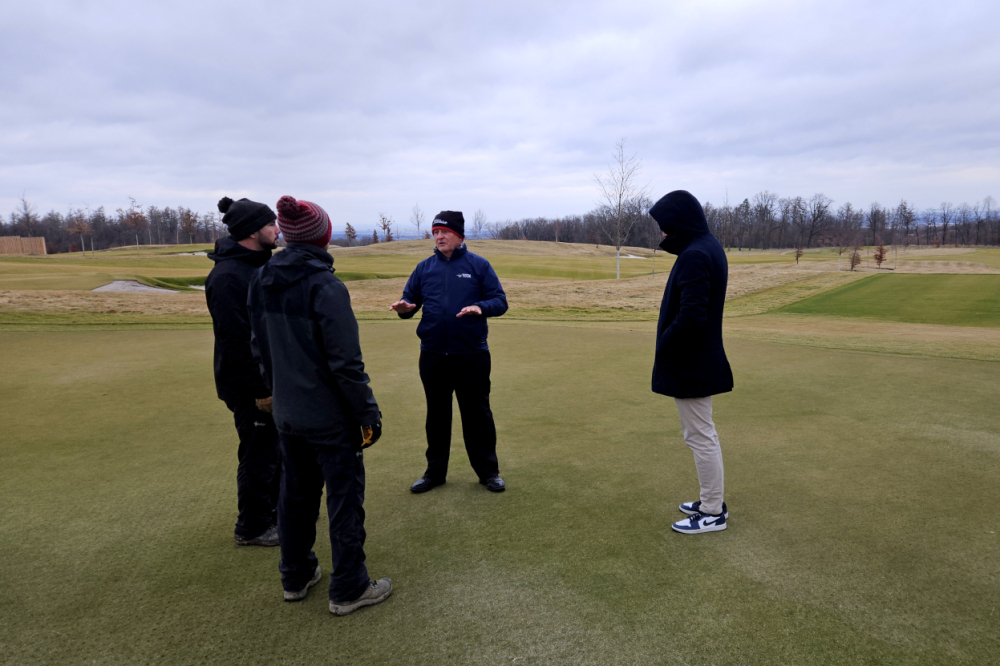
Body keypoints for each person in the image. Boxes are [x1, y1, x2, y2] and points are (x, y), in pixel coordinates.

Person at [248, 195, 391, 616]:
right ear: (323, 235)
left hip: (287, 414)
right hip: (330, 419)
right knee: (344, 499)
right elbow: (346, 364)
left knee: (295, 494)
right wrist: (367, 414)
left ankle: (295, 576)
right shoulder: (326, 286)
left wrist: (280, 395)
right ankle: (349, 586)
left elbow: (259, 348)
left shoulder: (261, 278)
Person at [389, 211, 509, 493]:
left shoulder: (478, 265)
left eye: (444, 232)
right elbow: (410, 301)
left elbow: (500, 301)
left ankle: (488, 472)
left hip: (471, 354)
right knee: (437, 415)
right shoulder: (424, 268)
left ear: (459, 236)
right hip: (432, 355)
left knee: (477, 415)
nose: (439, 237)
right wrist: (405, 309)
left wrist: (482, 307)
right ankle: (434, 473)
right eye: (435, 233)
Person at [650, 190, 734, 535]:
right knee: (701, 434)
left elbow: (691, 317)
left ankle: (713, 511)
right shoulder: (706, 247)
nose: (663, 235)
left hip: (693, 363)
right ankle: (709, 501)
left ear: (680, 222)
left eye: (665, 227)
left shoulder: (696, 254)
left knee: (700, 436)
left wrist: (664, 345)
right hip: (699, 360)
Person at [205, 196, 281, 547]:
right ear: (253, 231)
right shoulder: (228, 277)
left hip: (269, 378)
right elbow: (236, 341)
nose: (277, 229)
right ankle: (252, 527)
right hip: (249, 385)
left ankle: (274, 514)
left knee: (274, 450)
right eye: (270, 225)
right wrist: (260, 389)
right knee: (258, 454)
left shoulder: (257, 266)